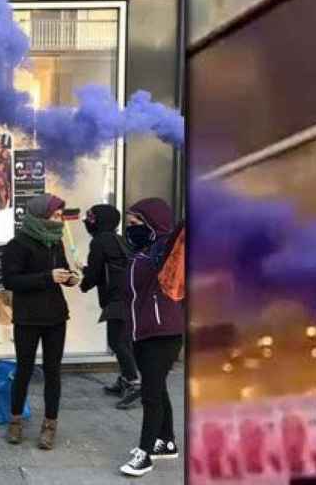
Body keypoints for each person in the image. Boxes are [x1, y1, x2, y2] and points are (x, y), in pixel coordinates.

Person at [2, 193, 79, 449]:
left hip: (56, 316)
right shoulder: (18, 244)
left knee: (53, 371)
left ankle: (49, 425)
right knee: (23, 370)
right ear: (40, 216)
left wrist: (70, 277)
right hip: (28, 318)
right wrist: (48, 276)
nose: (59, 220)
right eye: (55, 216)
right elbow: (10, 281)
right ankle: (15, 421)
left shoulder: (55, 242)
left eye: (60, 216)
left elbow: (62, 270)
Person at [117, 198, 185, 477]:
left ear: (153, 224)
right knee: (157, 388)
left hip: (162, 334)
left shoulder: (164, 251)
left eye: (135, 223)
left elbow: (180, 234)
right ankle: (166, 442)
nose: (130, 229)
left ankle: (145, 454)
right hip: (144, 332)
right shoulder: (142, 251)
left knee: (150, 395)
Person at [79, 204, 141, 409]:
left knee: (117, 341)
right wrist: (88, 271)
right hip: (128, 297)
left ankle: (133, 382)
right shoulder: (119, 239)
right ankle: (124, 380)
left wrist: (83, 281)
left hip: (117, 299)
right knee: (123, 339)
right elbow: (110, 267)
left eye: (91, 218)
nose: (88, 223)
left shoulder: (99, 242)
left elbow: (96, 273)